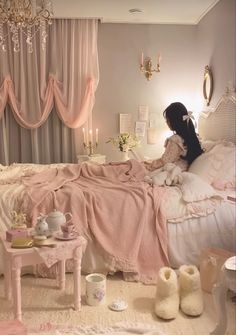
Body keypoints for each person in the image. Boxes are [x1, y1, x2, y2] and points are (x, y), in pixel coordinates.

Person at [144, 102, 203, 172]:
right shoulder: (193, 139)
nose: (167, 123)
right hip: (180, 171)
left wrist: (148, 165)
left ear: (175, 121)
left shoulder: (175, 140)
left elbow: (164, 161)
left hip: (170, 172)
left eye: (168, 120)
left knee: (135, 164)